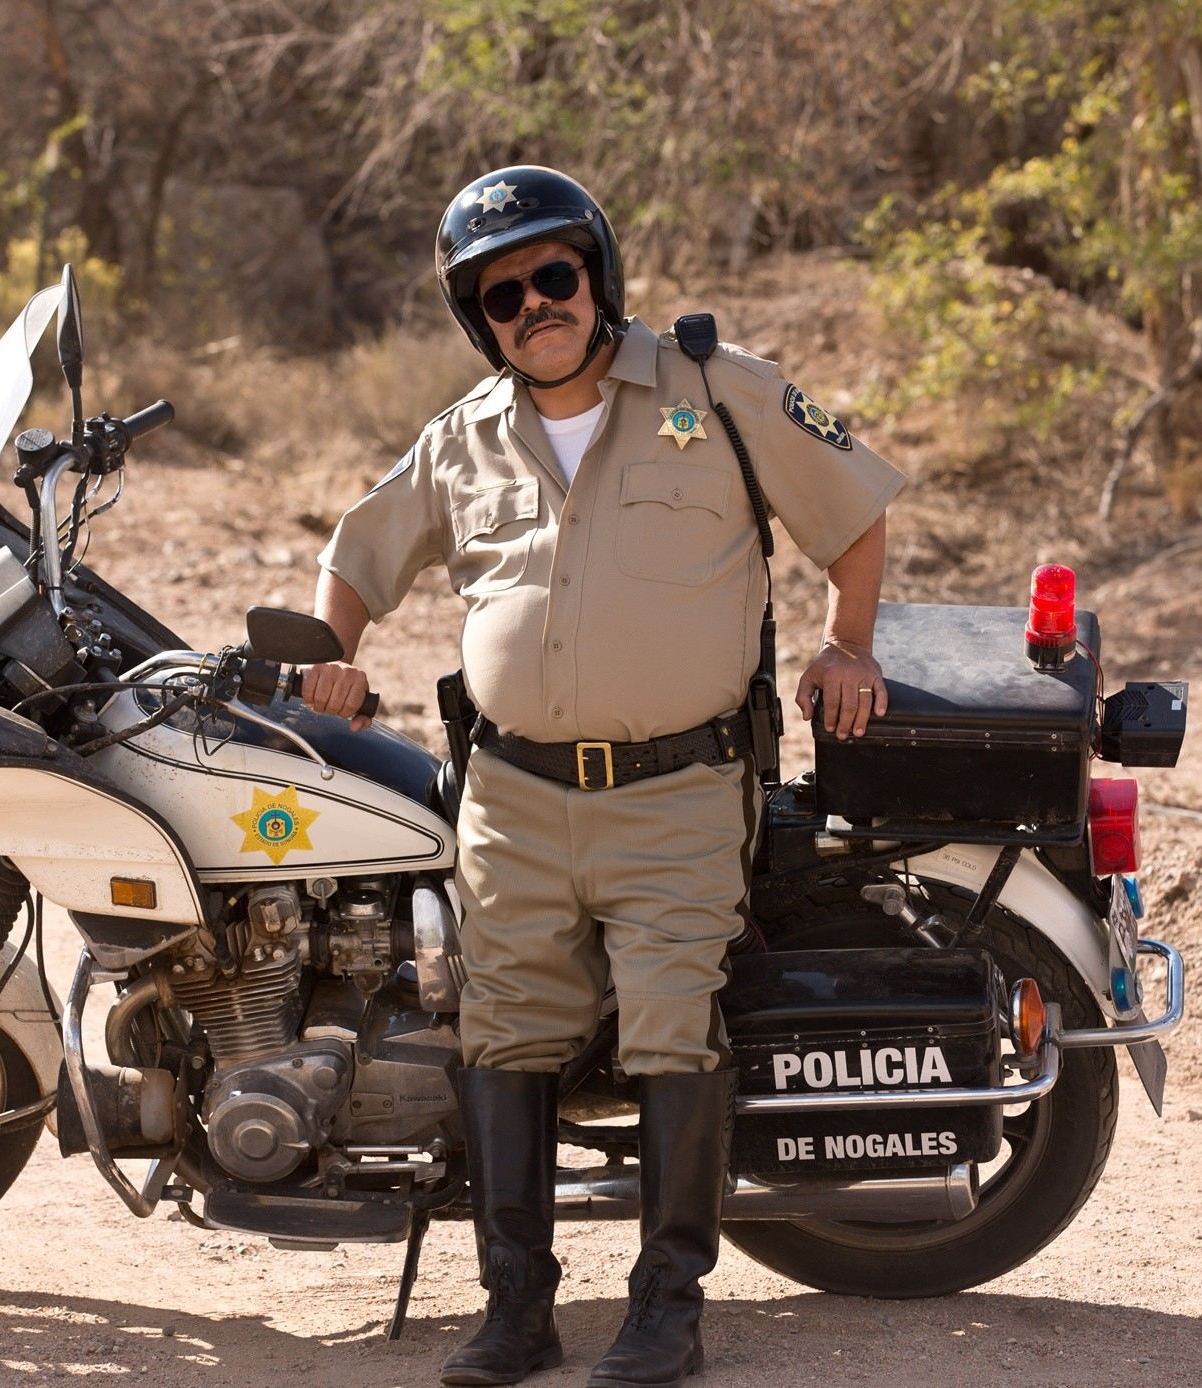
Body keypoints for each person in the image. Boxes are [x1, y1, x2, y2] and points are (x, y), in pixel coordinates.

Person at [305, 165, 905, 1388]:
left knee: (672, 1027)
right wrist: (330, 655)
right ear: (480, 320)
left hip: (676, 791)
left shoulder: (716, 388)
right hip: (511, 799)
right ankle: (515, 1310)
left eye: (552, 273)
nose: (535, 303)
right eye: (502, 293)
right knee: (504, 1033)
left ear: (596, 271)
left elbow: (850, 512)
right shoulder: (461, 437)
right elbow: (356, 556)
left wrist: (850, 642)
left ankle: (666, 1308)